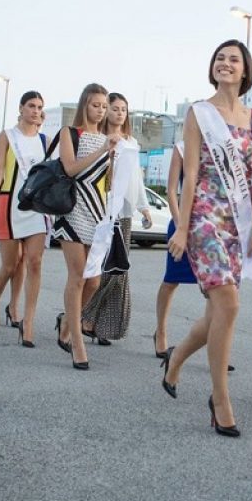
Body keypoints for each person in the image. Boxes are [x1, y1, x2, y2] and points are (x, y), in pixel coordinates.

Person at [164, 40, 252, 436]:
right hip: (204, 218)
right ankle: (220, 398)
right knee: (228, 304)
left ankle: (175, 359)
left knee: (215, 314)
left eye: (234, 59)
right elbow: (190, 174)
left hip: (237, 223)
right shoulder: (199, 113)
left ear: (245, 71)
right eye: (220, 59)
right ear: (213, 68)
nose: (226, 64)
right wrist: (180, 226)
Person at [54, 83, 119, 370]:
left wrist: (115, 159)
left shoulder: (108, 139)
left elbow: (109, 182)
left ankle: (67, 320)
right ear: (84, 105)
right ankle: (78, 345)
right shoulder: (70, 133)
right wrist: (102, 149)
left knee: (94, 281)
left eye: (104, 106)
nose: (101, 110)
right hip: (71, 209)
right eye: (96, 105)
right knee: (77, 277)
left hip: (98, 212)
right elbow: (70, 168)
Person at [80, 92, 152, 344]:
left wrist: (144, 207)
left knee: (119, 270)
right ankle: (83, 317)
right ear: (106, 112)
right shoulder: (101, 140)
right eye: (115, 108)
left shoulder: (131, 141)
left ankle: (99, 325)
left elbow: (137, 180)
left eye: (124, 109)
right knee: (106, 269)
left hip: (126, 212)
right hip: (104, 210)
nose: (120, 113)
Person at [0, 92, 49, 345]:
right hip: (9, 203)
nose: (35, 110)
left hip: (37, 207)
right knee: (10, 266)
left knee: (34, 262)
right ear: (21, 108)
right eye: (31, 106)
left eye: (39, 107)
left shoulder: (46, 140)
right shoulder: (7, 136)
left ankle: (27, 320)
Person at [153, 142, 194, 358]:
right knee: (171, 280)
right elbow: (171, 189)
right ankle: (161, 332)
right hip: (183, 224)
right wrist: (180, 225)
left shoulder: (222, 141)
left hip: (213, 227)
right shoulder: (182, 147)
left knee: (216, 291)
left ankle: (218, 345)